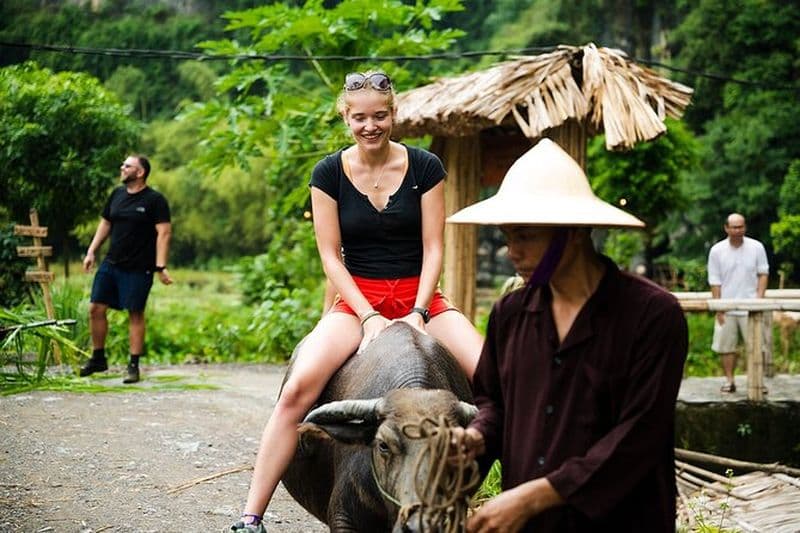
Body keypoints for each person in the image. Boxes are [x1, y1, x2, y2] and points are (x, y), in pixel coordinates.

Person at [231, 71, 484, 531]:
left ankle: (525, 502)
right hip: (356, 301)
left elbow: (434, 248)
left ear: (394, 115)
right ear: (346, 118)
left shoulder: (426, 166)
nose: (371, 126)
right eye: (360, 118)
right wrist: (367, 316)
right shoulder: (328, 173)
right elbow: (330, 255)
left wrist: (419, 312)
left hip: (420, 297)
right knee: (296, 392)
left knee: (500, 380)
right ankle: (251, 516)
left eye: (380, 116)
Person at [448, 138, 688, 532]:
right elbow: (494, 402)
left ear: (573, 232)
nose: (512, 251)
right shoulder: (510, 315)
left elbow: (640, 434)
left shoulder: (651, 315)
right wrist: (478, 436)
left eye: (525, 236)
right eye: (508, 236)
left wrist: (535, 496)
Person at [79, 154, 173, 384]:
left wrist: (160, 266)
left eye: (128, 166)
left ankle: (133, 365)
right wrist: (91, 251)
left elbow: (164, 233)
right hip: (111, 263)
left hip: (139, 268)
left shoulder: (155, 200)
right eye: (123, 164)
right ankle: (98, 358)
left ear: (140, 172)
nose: (122, 167)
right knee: (95, 308)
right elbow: (106, 223)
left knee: (135, 313)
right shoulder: (117, 195)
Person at [707, 213, 769, 393]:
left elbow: (763, 273)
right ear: (726, 228)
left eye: (740, 226)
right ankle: (729, 380)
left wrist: (759, 300)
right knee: (726, 346)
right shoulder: (717, 250)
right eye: (734, 227)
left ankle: (758, 381)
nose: (737, 230)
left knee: (757, 345)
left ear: (745, 227)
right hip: (726, 305)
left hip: (751, 305)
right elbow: (715, 280)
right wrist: (718, 307)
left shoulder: (756, 247)